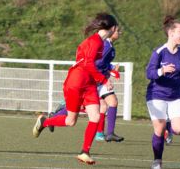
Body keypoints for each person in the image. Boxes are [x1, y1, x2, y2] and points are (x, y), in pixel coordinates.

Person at [32, 12, 118, 165]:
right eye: (116, 28)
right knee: (71, 121)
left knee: (95, 117)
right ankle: (45, 121)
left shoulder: (98, 42)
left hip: (89, 84)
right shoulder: (96, 42)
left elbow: (89, 63)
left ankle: (85, 152)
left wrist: (106, 73)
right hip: (76, 82)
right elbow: (88, 64)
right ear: (112, 28)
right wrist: (104, 79)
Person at [49, 27, 124, 143]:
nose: (119, 33)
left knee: (109, 103)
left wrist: (111, 68)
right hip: (96, 79)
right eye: (117, 31)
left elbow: (103, 62)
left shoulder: (109, 45)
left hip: (100, 79)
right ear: (111, 31)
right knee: (84, 108)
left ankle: (107, 133)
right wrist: (107, 74)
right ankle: (55, 116)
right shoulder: (106, 46)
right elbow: (96, 63)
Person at [146, 16, 180, 169]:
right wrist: (162, 70)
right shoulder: (159, 52)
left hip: (175, 96)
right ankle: (157, 161)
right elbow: (149, 73)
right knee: (159, 128)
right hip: (156, 95)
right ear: (171, 33)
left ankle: (169, 128)